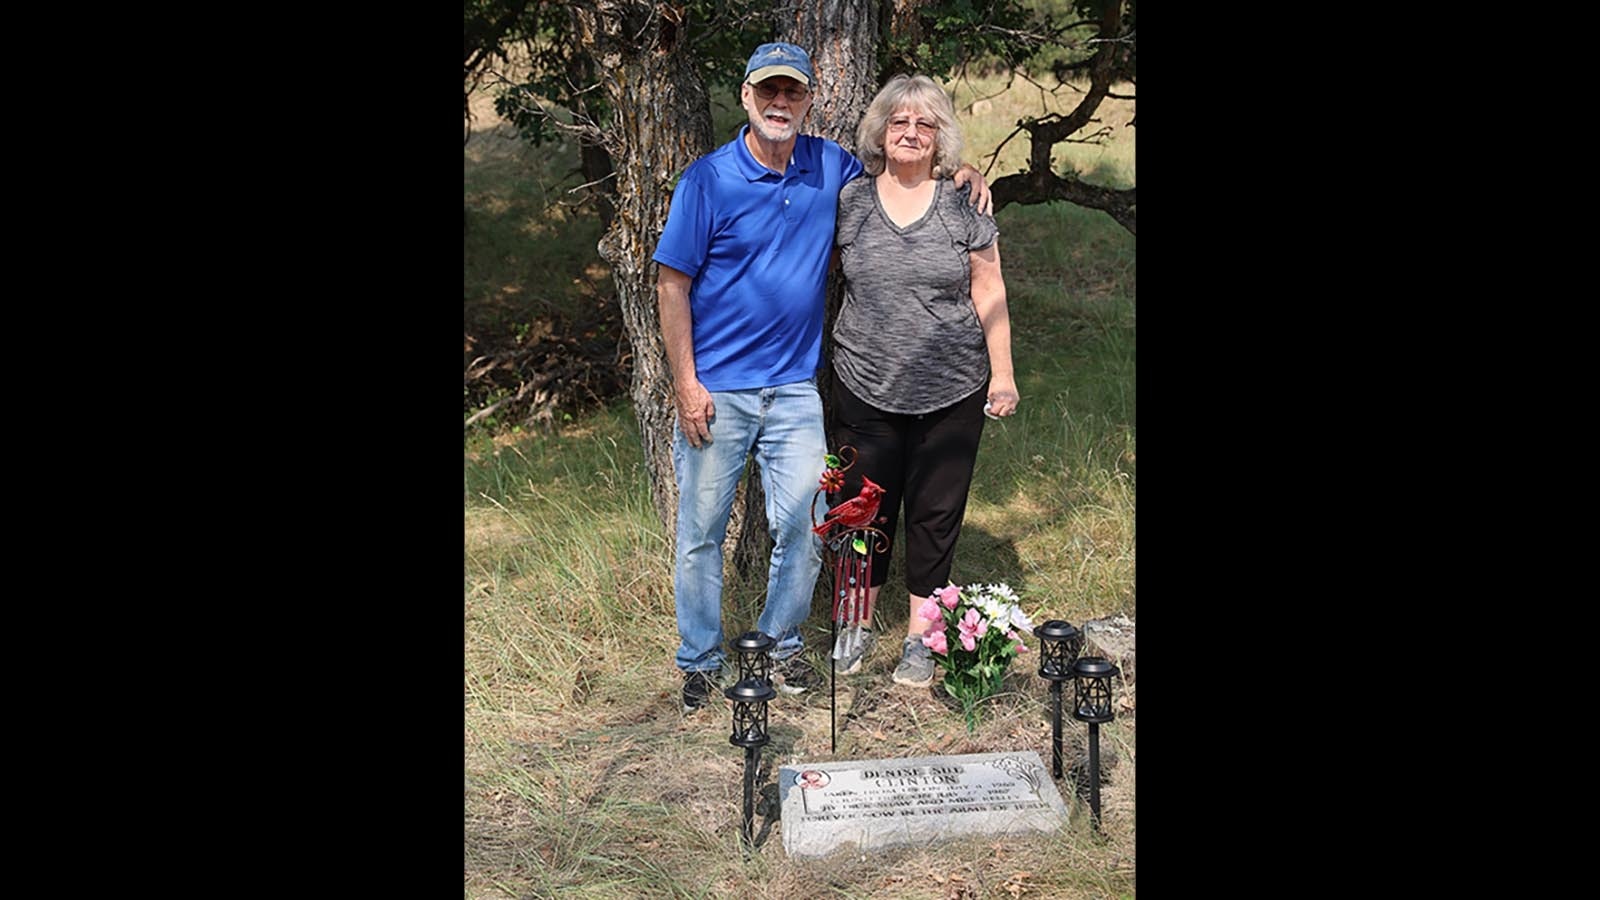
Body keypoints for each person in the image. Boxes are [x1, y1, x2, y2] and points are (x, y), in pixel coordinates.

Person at [653, 44, 992, 712]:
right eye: (768, 92)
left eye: (793, 94)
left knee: (810, 526)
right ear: (746, 96)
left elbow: (906, 163)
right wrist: (685, 384)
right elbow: (671, 284)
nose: (780, 104)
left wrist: (965, 170)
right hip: (716, 389)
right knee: (700, 533)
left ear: (808, 102)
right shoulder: (707, 181)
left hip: (795, 390)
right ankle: (698, 658)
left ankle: (779, 645)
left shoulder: (830, 166)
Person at [825, 74, 1018, 688]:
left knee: (935, 515)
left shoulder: (964, 204)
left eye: (925, 124)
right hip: (863, 383)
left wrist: (1003, 375)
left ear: (941, 139)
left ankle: (918, 636)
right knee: (860, 512)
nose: (911, 133)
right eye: (900, 122)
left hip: (952, 389)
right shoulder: (849, 201)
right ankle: (853, 627)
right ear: (881, 132)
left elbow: (988, 287)